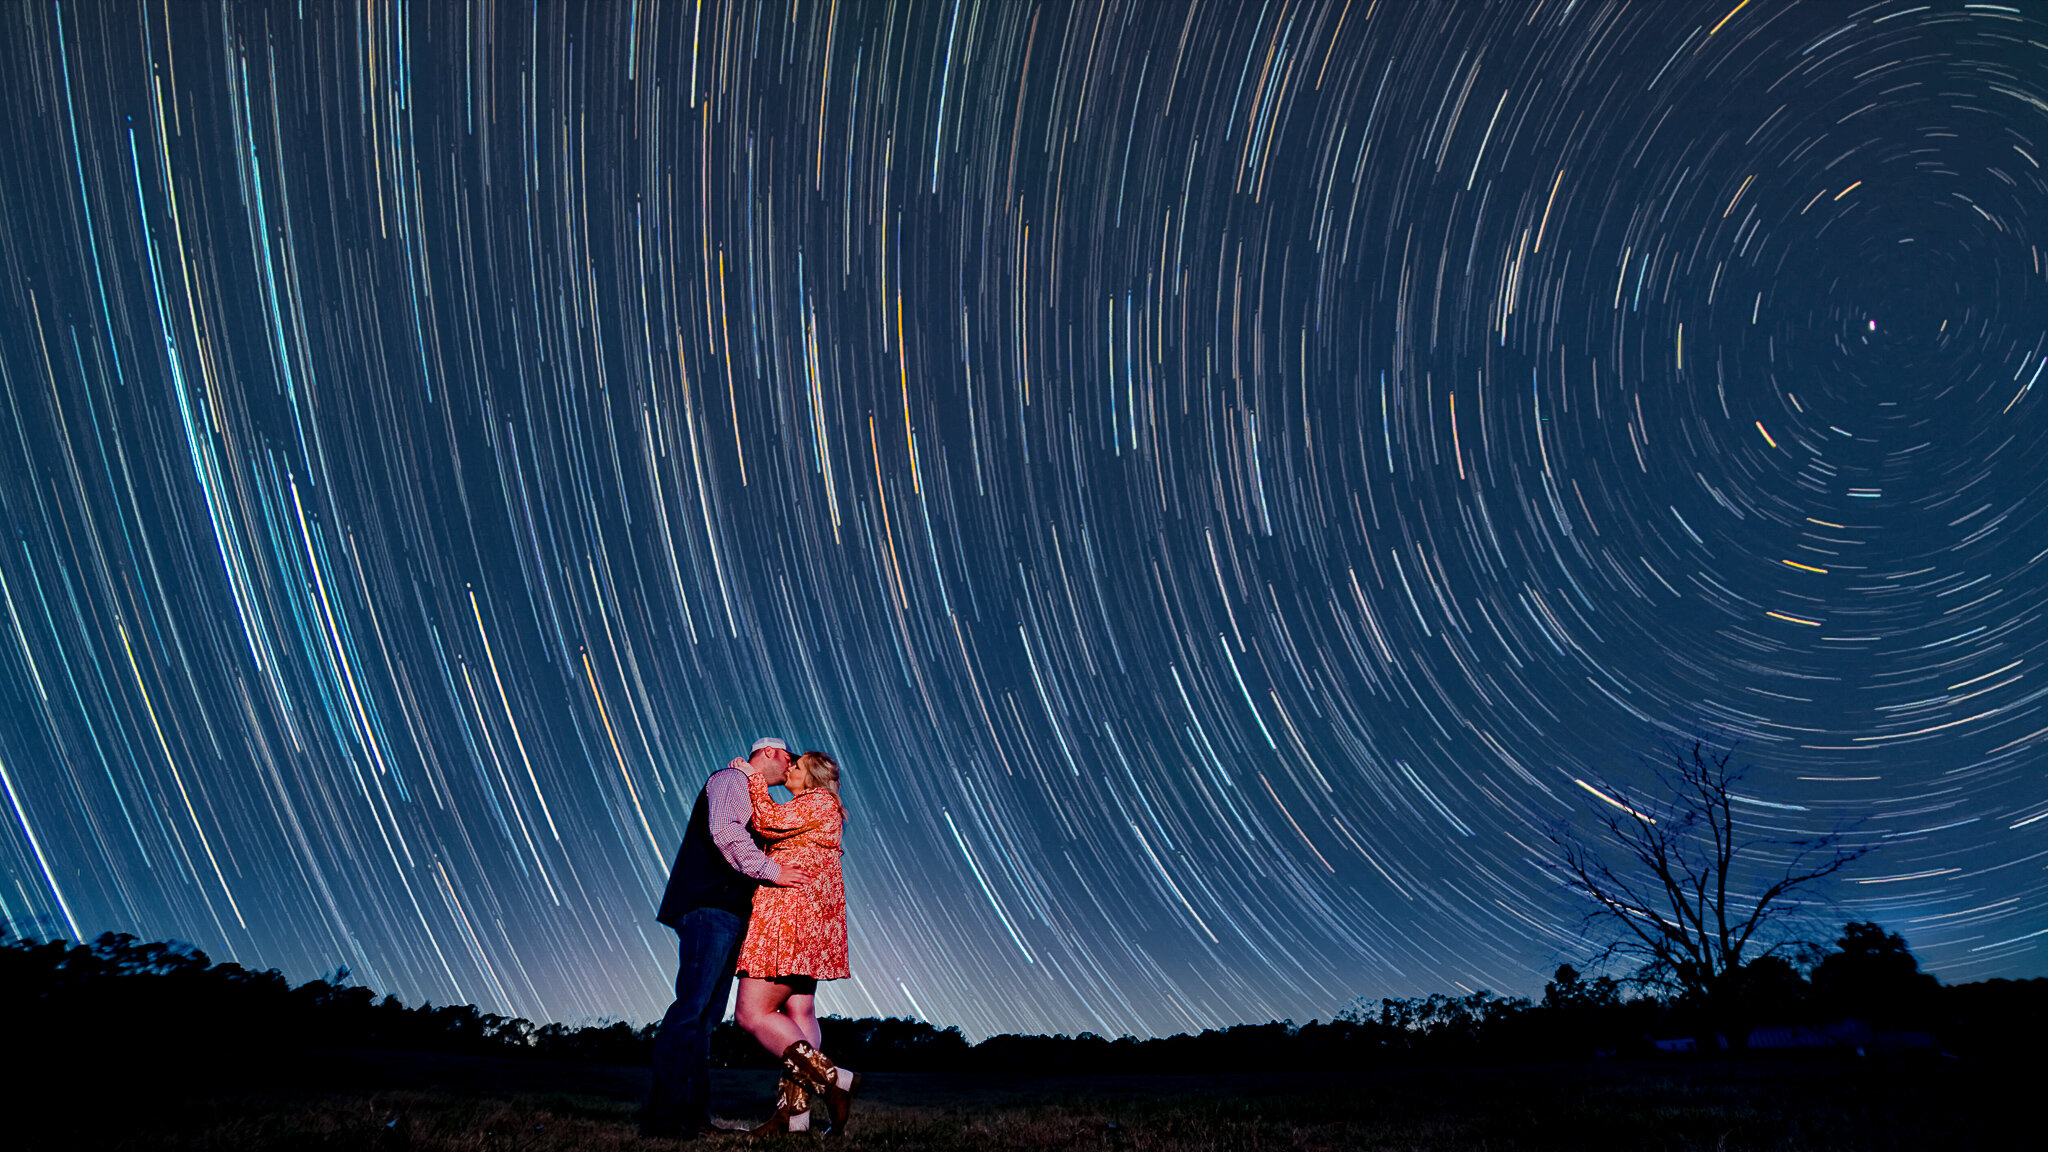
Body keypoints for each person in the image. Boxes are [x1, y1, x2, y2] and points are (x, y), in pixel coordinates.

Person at [642, 737, 812, 1139]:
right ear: (769, 752)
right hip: (709, 907)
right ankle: (664, 1119)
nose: (790, 765)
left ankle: (692, 1118)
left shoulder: (752, 792)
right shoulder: (731, 780)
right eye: (788, 757)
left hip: (727, 912)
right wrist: (772, 870)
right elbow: (725, 831)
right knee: (691, 1009)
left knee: (703, 1019)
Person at [732, 749, 860, 1134]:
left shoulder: (819, 801)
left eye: (797, 766)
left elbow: (769, 821)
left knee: (751, 1013)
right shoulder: (821, 808)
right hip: (808, 921)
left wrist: (749, 775)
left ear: (813, 777)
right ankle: (794, 1118)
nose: (789, 768)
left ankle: (834, 1080)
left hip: (791, 919)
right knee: (799, 1015)